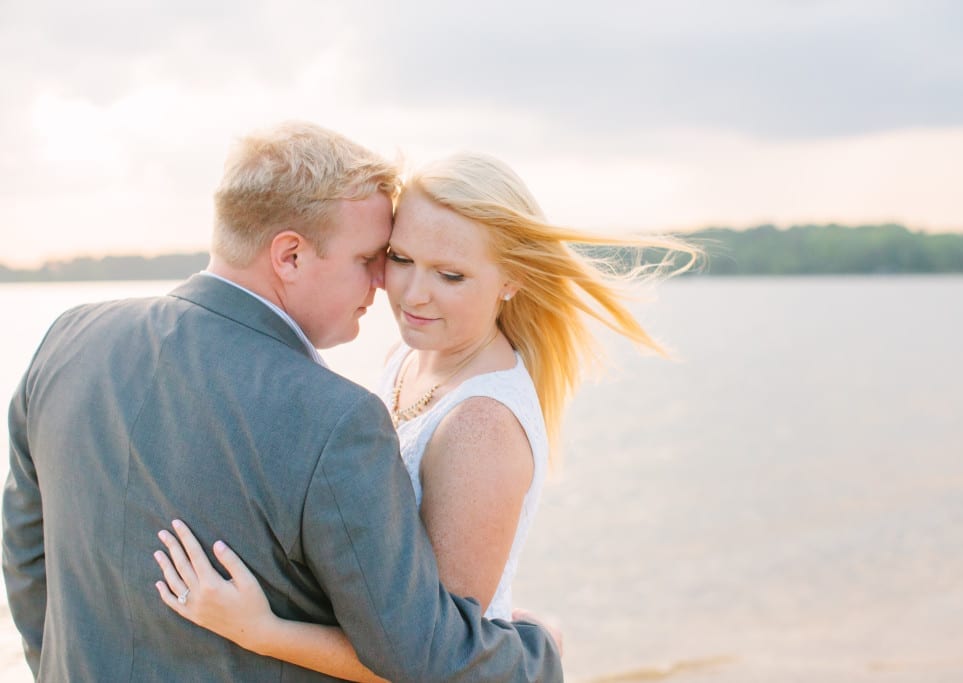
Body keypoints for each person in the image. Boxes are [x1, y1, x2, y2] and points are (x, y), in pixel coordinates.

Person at [2, 122, 563, 682]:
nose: (384, 286)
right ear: (289, 256)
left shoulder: (67, 338)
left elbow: (26, 560)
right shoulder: (334, 417)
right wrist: (540, 651)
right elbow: (426, 655)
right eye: (378, 257)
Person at [151, 151, 702, 679]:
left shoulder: (481, 426)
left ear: (511, 280)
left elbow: (436, 661)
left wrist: (261, 630)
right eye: (400, 259)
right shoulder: (410, 356)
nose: (413, 294)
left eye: (451, 275)